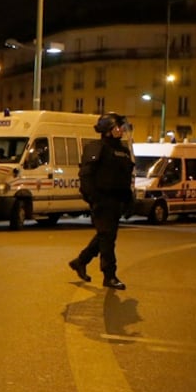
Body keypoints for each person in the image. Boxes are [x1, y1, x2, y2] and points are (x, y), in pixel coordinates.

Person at [68, 112, 135, 290]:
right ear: (107, 130)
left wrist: (129, 200)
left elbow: (126, 177)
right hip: (102, 200)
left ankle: (80, 261)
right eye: (118, 127)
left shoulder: (123, 150)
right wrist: (93, 198)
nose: (121, 130)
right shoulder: (96, 148)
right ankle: (109, 275)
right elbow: (86, 176)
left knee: (105, 235)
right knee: (107, 238)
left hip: (117, 201)